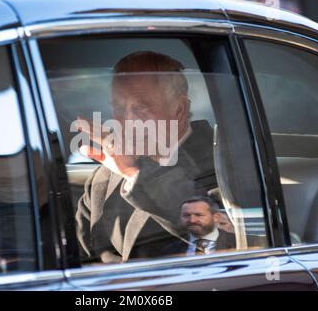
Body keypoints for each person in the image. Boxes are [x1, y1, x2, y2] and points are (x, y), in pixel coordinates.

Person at [75, 51, 216, 263]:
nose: (127, 120)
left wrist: (135, 173)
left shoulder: (222, 162)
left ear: (179, 109)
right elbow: (78, 260)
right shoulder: (102, 179)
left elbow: (220, 236)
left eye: (140, 107)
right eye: (119, 108)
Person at [164, 196, 262, 256]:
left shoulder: (250, 243)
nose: (192, 220)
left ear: (216, 217)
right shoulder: (169, 251)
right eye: (186, 215)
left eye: (199, 215)